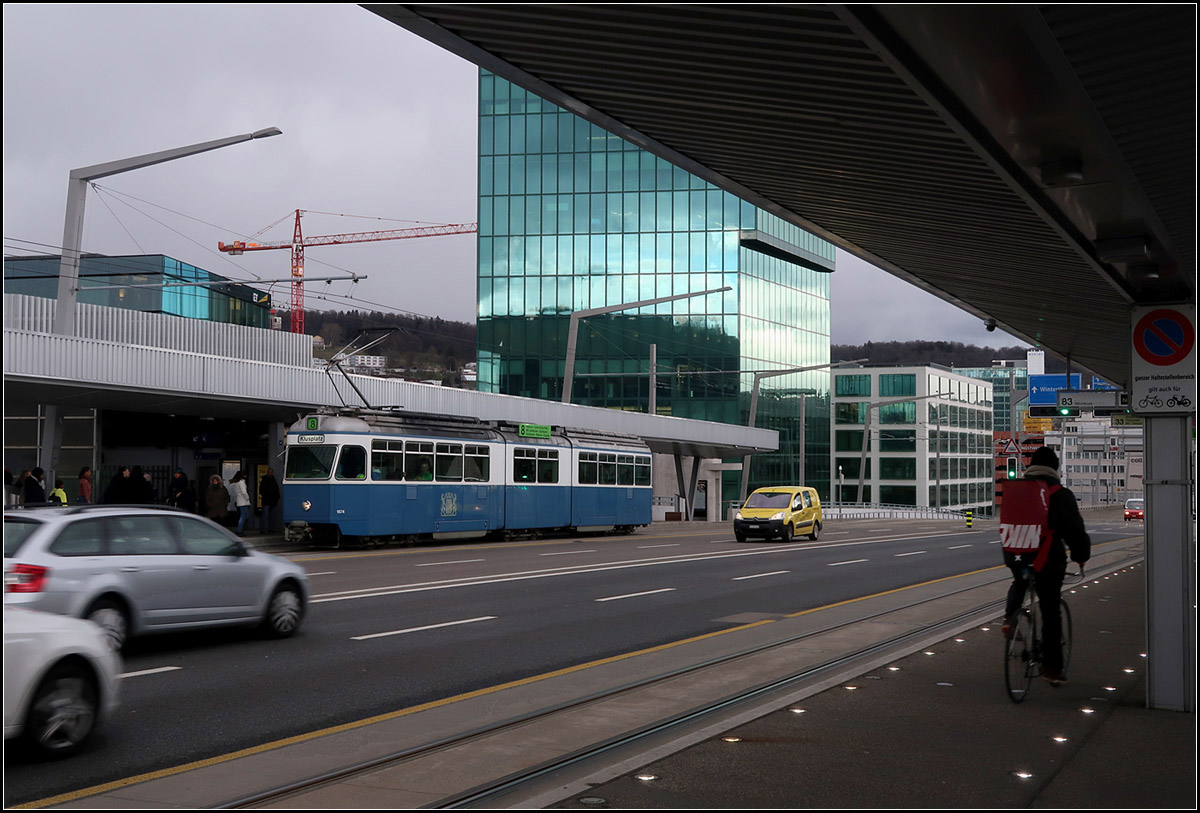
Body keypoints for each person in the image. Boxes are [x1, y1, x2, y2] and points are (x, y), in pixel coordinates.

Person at [1003, 445, 1090, 685]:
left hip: (1016, 553)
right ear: (1055, 469)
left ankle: (1010, 617)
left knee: (1020, 580)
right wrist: (1081, 557)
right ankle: (1052, 668)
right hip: (1047, 559)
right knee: (1051, 610)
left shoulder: (1019, 490)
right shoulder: (1060, 494)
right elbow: (1076, 532)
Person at [258, 467, 280, 533]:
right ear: (267, 472)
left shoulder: (273, 480)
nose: (270, 473)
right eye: (269, 472)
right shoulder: (265, 480)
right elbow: (261, 490)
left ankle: (269, 528)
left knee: (271, 516)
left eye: (271, 472)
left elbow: (276, 490)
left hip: (272, 501)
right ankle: (264, 529)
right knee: (266, 516)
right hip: (267, 500)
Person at [228, 471, 251, 535]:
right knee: (244, 516)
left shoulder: (236, 483)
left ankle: (240, 529)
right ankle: (239, 530)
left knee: (244, 516)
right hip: (243, 501)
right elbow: (244, 492)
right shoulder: (241, 482)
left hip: (239, 501)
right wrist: (247, 498)